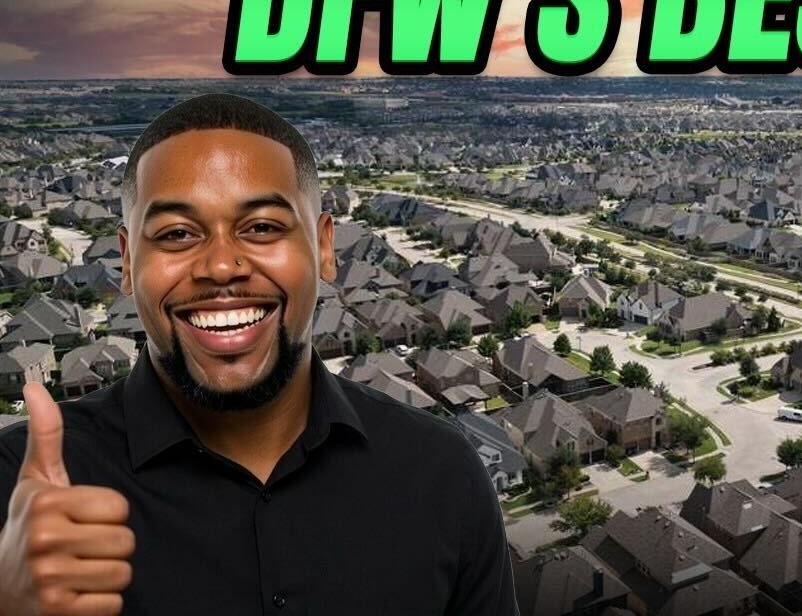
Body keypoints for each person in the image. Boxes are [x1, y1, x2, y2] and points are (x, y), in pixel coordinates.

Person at [0, 94, 519, 616]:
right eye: (177, 233)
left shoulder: (442, 475)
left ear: (323, 248)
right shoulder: (17, 492)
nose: (222, 266)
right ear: (128, 263)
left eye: (263, 227)